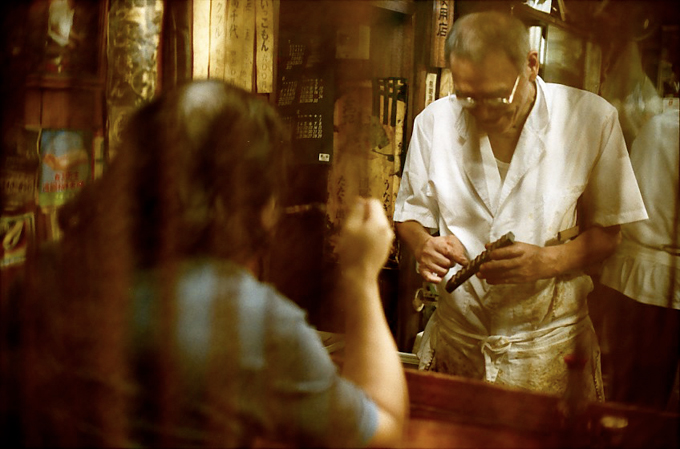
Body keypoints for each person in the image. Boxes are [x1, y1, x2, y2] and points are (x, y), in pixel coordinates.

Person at [1, 81, 408, 447]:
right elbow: (383, 428)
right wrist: (360, 276)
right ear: (251, 199)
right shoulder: (247, 320)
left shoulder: (49, 271)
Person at [393, 11, 647, 400]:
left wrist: (549, 261)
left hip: (549, 347)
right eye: (468, 97)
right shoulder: (435, 122)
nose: (483, 111)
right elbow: (410, 216)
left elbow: (611, 233)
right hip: (459, 341)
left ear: (531, 65)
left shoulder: (590, 119)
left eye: (496, 96)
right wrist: (423, 245)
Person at [597, 107, 680, 410]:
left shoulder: (659, 125)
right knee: (641, 403)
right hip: (649, 281)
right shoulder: (665, 127)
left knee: (633, 398)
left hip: (636, 277)